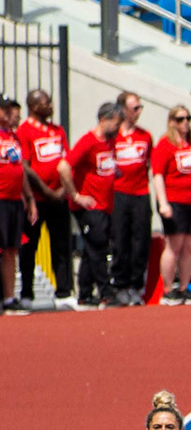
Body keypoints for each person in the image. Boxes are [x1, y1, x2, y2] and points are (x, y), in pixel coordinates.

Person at [14, 89, 74, 308]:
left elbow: (65, 161)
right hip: (37, 200)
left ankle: (64, 292)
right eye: (46, 102)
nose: (51, 105)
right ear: (34, 105)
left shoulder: (57, 130)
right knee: (29, 247)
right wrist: (45, 191)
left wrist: (63, 190)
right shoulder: (25, 131)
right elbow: (26, 167)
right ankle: (27, 293)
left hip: (59, 198)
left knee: (62, 245)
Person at [150, 104, 191, 305]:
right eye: (180, 119)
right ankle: (168, 289)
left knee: (190, 246)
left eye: (187, 118)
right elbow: (158, 175)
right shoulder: (165, 145)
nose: (185, 122)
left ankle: (185, 287)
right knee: (174, 246)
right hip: (174, 201)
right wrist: (163, 203)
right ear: (172, 122)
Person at [60, 102, 121, 308]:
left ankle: (85, 293)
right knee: (98, 248)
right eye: (115, 123)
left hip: (105, 205)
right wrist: (76, 196)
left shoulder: (109, 142)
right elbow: (64, 166)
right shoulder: (88, 141)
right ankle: (106, 292)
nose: (118, 128)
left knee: (92, 248)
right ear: (104, 120)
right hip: (89, 206)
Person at [108, 92, 153, 308]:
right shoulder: (113, 136)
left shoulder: (145, 136)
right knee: (120, 240)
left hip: (141, 194)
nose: (138, 112)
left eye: (139, 108)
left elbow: (149, 165)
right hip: (119, 193)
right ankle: (120, 285)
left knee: (140, 241)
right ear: (123, 110)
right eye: (134, 108)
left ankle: (136, 287)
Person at [0, 95, 38, 314]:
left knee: (11, 250)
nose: (7, 113)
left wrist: (30, 198)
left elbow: (19, 169)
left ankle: (8, 298)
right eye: (3, 110)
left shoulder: (13, 136)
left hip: (14, 200)